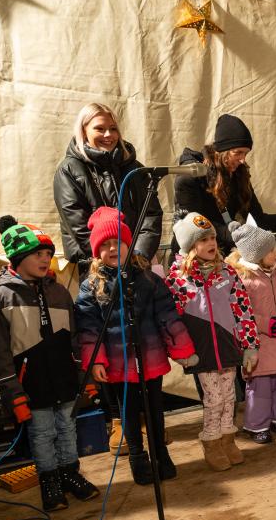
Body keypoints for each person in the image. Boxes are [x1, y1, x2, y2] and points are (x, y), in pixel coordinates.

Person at [75, 208, 197, 485]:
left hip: (149, 357)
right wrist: (96, 360)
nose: (111, 249)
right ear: (96, 251)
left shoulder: (148, 279)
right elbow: (88, 328)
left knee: (155, 409)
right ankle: (137, 458)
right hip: (119, 364)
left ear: (128, 244)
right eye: (104, 245)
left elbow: (167, 316)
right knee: (128, 413)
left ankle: (160, 454)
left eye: (116, 242)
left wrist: (182, 350)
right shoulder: (92, 286)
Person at [0, 217, 100, 511]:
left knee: (67, 427)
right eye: (38, 254)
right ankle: (49, 479)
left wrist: (84, 377)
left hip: (63, 377)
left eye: (48, 254)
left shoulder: (59, 291)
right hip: (31, 383)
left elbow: (74, 338)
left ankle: (69, 473)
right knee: (42, 433)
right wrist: (13, 393)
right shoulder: (2, 297)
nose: (45, 259)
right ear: (19, 257)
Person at [166, 213, 259, 471]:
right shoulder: (178, 279)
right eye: (203, 239)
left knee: (230, 396)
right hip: (202, 352)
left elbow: (243, 309)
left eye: (213, 238)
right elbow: (171, 321)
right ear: (189, 246)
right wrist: (180, 351)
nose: (211, 243)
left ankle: (228, 439)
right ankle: (211, 441)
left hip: (228, 345)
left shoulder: (227, 272)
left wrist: (250, 345)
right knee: (214, 397)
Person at [53, 103, 163, 271]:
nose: (108, 135)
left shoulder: (135, 168)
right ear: (83, 131)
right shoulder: (68, 170)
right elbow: (78, 225)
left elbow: (151, 214)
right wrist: (109, 257)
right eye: (100, 129)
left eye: (113, 128)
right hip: (96, 266)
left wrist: (139, 255)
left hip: (137, 264)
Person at [228, 219, 276, 444]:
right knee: (261, 387)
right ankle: (257, 424)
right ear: (256, 254)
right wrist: (268, 325)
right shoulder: (244, 279)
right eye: (270, 251)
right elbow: (243, 312)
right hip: (262, 343)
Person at [173, 113, 276, 257]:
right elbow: (196, 225)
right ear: (222, 151)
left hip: (224, 256)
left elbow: (259, 219)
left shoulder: (239, 176)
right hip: (193, 258)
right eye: (238, 153)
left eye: (245, 154)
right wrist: (237, 235)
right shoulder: (190, 176)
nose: (242, 160)